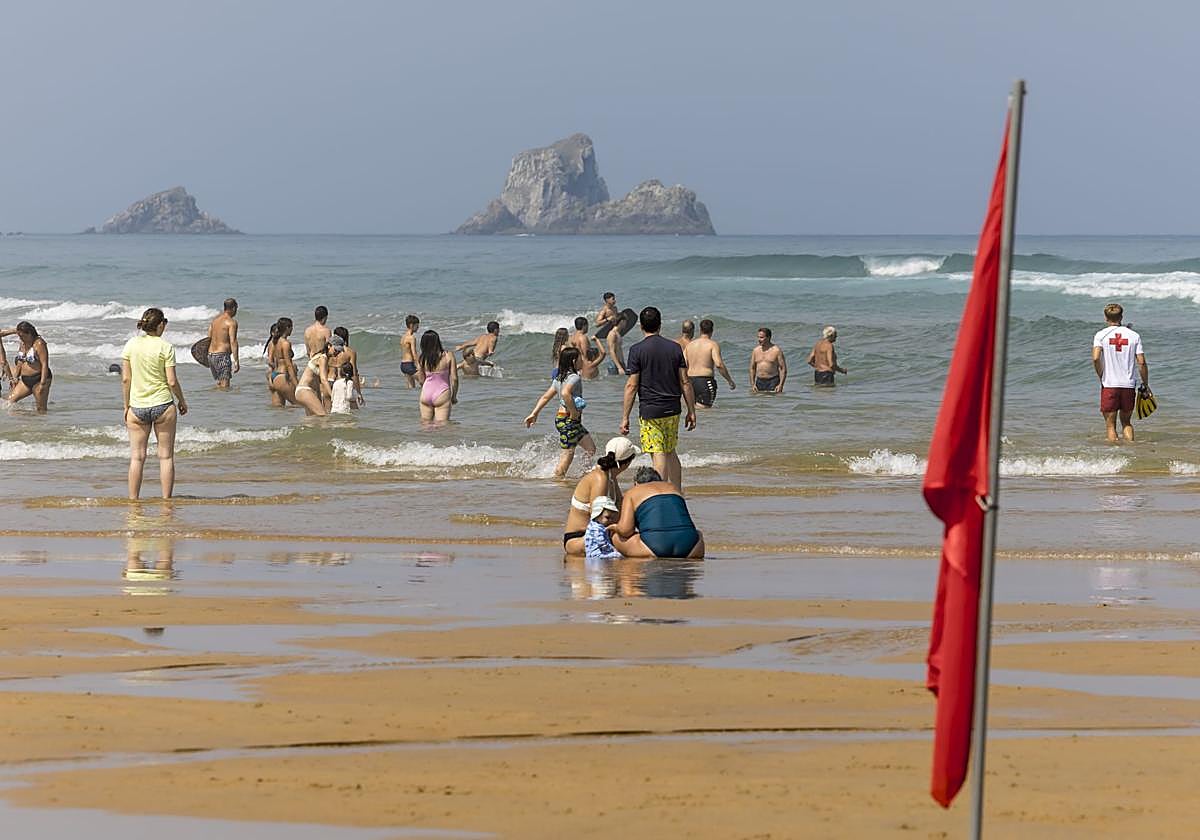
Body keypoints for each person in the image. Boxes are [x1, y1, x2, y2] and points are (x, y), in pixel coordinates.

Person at [620, 306, 696, 490]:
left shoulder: (637, 350)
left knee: (658, 452)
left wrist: (625, 417)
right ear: (660, 325)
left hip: (651, 410)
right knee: (670, 451)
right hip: (673, 409)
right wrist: (691, 410)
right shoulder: (675, 347)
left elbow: (632, 385)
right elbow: (685, 382)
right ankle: (677, 492)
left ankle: (661, 493)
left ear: (641, 326)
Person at [121, 308, 188, 499]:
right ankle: (166, 501)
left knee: (137, 457)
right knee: (165, 456)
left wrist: (126, 406)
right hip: (163, 405)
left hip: (137, 407)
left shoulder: (131, 344)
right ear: (159, 325)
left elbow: (126, 379)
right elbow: (172, 381)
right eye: (164, 323)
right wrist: (182, 400)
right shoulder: (165, 347)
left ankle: (133, 501)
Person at [525, 347, 597, 477]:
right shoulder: (574, 377)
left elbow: (545, 397)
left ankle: (583, 474)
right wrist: (573, 413)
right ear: (574, 361)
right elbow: (565, 393)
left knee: (590, 449)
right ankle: (558, 479)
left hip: (565, 419)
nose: (583, 361)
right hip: (569, 420)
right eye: (581, 358)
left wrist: (534, 413)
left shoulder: (559, 378)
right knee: (568, 454)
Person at [561, 436, 640, 556]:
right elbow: (598, 517)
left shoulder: (610, 476)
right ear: (626, 463)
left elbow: (620, 506)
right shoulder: (600, 478)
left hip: (595, 534)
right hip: (580, 539)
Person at [609, 466, 705, 559]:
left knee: (616, 536)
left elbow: (626, 531)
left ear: (636, 483)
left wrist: (615, 527)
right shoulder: (673, 488)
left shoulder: (633, 491)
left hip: (654, 546)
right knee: (698, 533)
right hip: (692, 548)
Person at [1092, 303, 1149, 443]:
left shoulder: (1100, 335)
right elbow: (1141, 362)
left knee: (1110, 425)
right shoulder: (1134, 336)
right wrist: (1145, 384)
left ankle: (1116, 454)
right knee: (1126, 422)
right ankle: (1131, 449)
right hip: (1128, 385)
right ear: (1121, 317)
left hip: (1110, 384)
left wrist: (1101, 375)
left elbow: (1096, 358)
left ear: (1106, 318)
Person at [0, 321, 52, 412]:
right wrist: (15, 378)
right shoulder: (23, 343)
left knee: (41, 410)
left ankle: (40, 421)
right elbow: (20, 361)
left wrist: (42, 384)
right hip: (25, 381)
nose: (21, 338)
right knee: (9, 403)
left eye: (22, 336)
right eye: (19, 336)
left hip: (39, 379)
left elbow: (45, 364)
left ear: (29, 333)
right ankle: (27, 418)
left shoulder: (39, 344)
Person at [683, 319, 736, 408]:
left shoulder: (690, 345)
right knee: (705, 412)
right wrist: (729, 381)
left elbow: (682, 364)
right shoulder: (712, 345)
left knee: (693, 411)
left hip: (690, 381)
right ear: (712, 330)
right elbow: (719, 364)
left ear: (700, 330)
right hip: (705, 381)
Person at [416, 329, 458, 423]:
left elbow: (421, 380)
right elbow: (454, 379)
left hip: (426, 393)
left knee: (425, 425)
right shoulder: (448, 355)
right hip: (442, 393)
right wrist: (454, 396)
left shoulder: (422, 358)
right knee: (441, 426)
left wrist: (427, 389)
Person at [294, 339, 335, 417]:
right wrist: (332, 396)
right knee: (323, 416)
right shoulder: (323, 358)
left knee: (312, 419)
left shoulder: (321, 356)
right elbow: (323, 380)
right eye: (336, 349)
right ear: (329, 346)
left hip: (307, 391)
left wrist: (319, 397)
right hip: (305, 390)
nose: (337, 352)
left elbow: (316, 381)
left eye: (339, 351)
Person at [206, 298, 239, 389]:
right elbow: (233, 341)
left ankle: (214, 398)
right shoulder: (231, 323)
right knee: (225, 386)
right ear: (233, 308)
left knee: (220, 383)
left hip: (211, 355)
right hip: (222, 356)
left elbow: (208, 338)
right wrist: (236, 361)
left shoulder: (214, 321)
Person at [264, 317, 298, 407]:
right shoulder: (285, 343)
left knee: (278, 409)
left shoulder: (274, 342)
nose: (292, 329)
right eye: (291, 327)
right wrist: (297, 384)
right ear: (287, 328)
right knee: (299, 404)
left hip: (274, 377)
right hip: (282, 377)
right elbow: (289, 365)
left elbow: (271, 360)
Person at [750, 327, 787, 393]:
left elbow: (783, 369)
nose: (759, 339)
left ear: (768, 338)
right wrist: (752, 384)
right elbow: (752, 368)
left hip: (773, 381)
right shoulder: (755, 351)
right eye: (758, 337)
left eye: (761, 337)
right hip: (759, 381)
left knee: (772, 399)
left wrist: (781, 385)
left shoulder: (776, 350)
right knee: (758, 399)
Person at [584, 496, 622, 560]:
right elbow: (602, 543)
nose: (610, 520)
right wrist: (613, 549)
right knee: (619, 555)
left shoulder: (595, 525)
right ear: (597, 514)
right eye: (607, 517)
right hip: (596, 555)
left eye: (612, 518)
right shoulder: (596, 528)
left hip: (598, 554)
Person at [331, 327, 363, 391]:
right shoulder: (350, 352)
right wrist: (358, 392)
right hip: (341, 383)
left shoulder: (328, 350)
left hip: (327, 382)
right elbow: (354, 373)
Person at [607, 310, 630, 375]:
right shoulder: (612, 334)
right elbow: (611, 351)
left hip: (619, 363)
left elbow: (619, 349)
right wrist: (619, 367)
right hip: (614, 365)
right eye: (625, 321)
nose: (626, 324)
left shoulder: (617, 333)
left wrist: (622, 363)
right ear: (622, 321)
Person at [400, 314, 421, 388]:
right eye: (417, 325)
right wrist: (418, 365)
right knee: (424, 383)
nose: (418, 327)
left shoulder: (403, 337)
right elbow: (414, 353)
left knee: (411, 388)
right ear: (411, 325)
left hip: (403, 365)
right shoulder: (412, 338)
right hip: (409, 365)